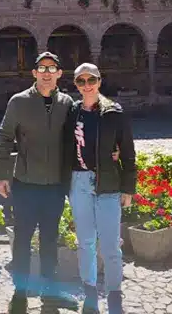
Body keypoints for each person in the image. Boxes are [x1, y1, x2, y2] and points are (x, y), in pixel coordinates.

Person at [0, 51, 76, 313]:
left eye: (52, 68)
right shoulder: (19, 102)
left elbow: (79, 138)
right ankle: (20, 292)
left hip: (54, 186)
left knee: (50, 240)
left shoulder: (67, 104)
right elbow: (4, 138)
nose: (46, 73)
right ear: (34, 73)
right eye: (42, 68)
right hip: (26, 183)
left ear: (59, 74)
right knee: (22, 239)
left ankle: (49, 291)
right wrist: (1, 174)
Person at [63, 63, 136, 314]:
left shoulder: (114, 112)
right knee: (85, 242)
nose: (86, 85)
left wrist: (128, 188)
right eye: (81, 81)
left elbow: (127, 152)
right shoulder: (72, 112)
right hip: (79, 182)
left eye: (90, 80)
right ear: (76, 85)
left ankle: (114, 295)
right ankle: (90, 292)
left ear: (99, 81)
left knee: (110, 244)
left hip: (108, 184)